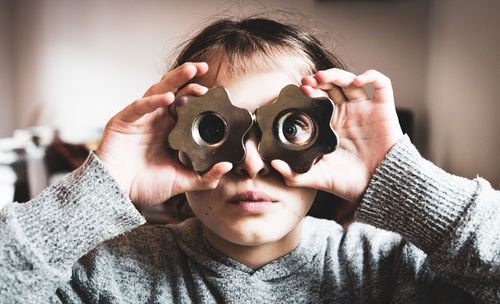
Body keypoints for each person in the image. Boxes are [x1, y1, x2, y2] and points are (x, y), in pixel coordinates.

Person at [0, 17, 498, 303]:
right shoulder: (104, 274)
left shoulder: (389, 270)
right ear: (177, 138)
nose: (252, 164)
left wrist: (404, 182)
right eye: (218, 129)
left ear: (329, 138)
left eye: (290, 127)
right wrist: (99, 188)